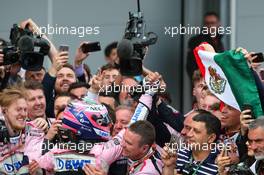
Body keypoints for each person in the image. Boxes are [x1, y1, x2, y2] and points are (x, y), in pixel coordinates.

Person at [161, 110, 221, 175]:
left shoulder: (221, 164)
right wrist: (169, 166)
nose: (189, 134)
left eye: (196, 131)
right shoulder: (179, 153)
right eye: (189, 128)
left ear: (211, 138)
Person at [186, 12, 224, 82]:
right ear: (204, 25)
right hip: (202, 80)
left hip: (217, 79)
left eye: (212, 23)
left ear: (218, 24)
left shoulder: (219, 40)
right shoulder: (195, 41)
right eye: (207, 23)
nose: (210, 26)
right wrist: (198, 80)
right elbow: (190, 65)